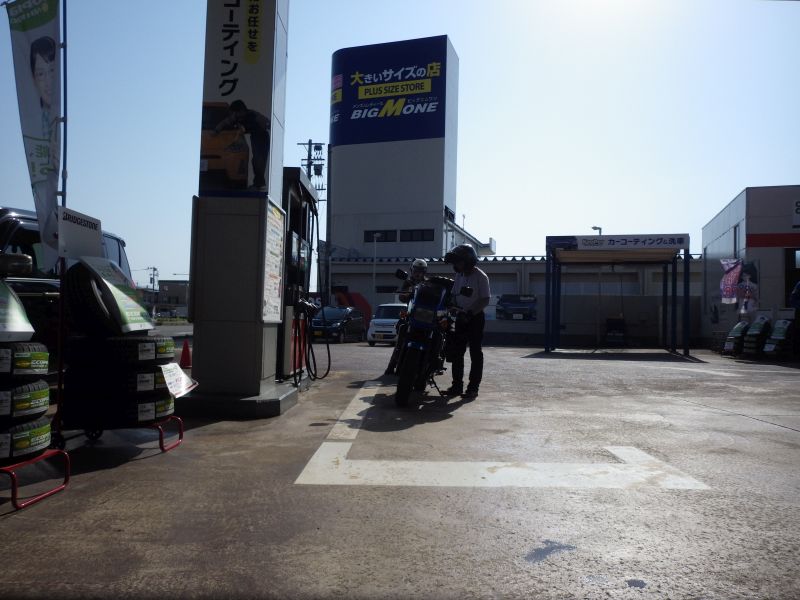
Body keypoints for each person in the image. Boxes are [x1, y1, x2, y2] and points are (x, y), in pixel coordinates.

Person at [443, 244, 491, 399]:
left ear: (468, 261)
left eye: (459, 262)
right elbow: (454, 295)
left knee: (475, 353)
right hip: (460, 317)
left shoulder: (481, 276)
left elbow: (485, 299)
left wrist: (470, 313)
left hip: (475, 318)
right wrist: (451, 306)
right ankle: (457, 386)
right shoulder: (459, 276)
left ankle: (473, 388)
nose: (456, 265)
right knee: (457, 352)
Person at [213, 99, 270, 191]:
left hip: (262, 137)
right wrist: (216, 130)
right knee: (255, 161)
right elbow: (225, 122)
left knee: (259, 161)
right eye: (233, 114)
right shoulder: (236, 117)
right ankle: (258, 183)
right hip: (254, 137)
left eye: (236, 113)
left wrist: (267, 125)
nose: (235, 115)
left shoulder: (253, 115)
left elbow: (267, 122)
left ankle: (258, 184)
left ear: (242, 110)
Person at [385, 259, 428, 375]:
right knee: (402, 332)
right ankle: (391, 365)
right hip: (411, 313)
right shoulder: (408, 282)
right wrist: (405, 294)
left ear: (424, 272)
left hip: (425, 314)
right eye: (416, 271)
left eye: (420, 271)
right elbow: (402, 296)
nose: (418, 273)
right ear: (412, 270)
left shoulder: (428, 283)